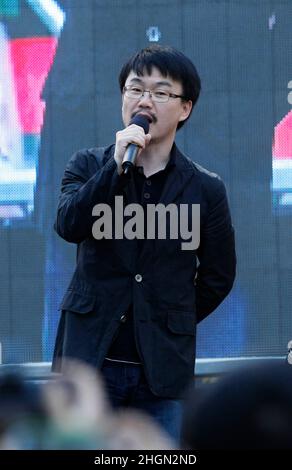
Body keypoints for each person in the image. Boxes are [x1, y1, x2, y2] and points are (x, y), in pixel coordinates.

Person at [52, 44, 236, 442]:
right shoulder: (87, 166)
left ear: (184, 108)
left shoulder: (205, 189)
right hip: (88, 367)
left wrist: (168, 318)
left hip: (161, 373)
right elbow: (68, 224)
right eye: (135, 89)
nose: (144, 100)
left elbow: (218, 277)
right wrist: (113, 170)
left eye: (160, 91)